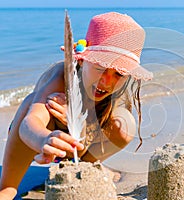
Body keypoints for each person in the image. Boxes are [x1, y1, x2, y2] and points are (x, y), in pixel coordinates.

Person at [0, 12, 153, 199]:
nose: (107, 81)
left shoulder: (113, 94)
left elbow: (87, 137)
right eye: (100, 68)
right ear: (81, 60)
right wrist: (44, 140)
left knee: (125, 125)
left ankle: (86, 167)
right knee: (31, 103)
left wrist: (78, 125)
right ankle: (7, 186)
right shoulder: (60, 78)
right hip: (35, 139)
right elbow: (30, 122)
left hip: (77, 143)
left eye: (119, 74)